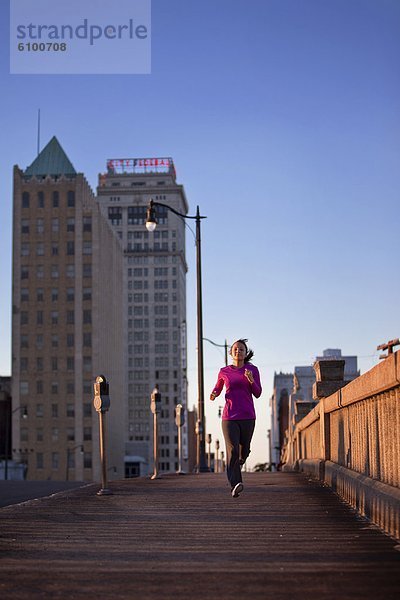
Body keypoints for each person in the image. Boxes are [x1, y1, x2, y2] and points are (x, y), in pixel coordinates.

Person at [210, 339, 262, 498]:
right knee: (232, 450)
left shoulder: (252, 370)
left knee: (244, 449)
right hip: (229, 417)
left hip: (248, 416)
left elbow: (258, 393)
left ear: (246, 353)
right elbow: (217, 388)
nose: (238, 351)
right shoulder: (224, 371)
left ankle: (242, 457)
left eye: (241, 349)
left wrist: (251, 380)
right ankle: (236, 484)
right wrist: (213, 394)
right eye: (235, 349)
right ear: (231, 353)